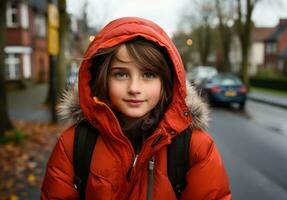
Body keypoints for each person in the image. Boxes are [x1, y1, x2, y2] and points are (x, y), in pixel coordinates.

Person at [41, 17, 231, 199]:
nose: (134, 88)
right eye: (121, 74)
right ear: (103, 79)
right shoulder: (74, 145)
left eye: (148, 74)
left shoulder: (195, 149)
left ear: (166, 82)